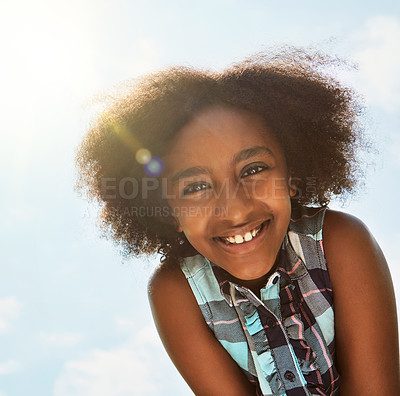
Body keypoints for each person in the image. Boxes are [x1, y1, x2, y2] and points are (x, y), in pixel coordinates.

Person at [75, 48, 400, 395]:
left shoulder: (340, 241)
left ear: (292, 175)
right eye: (196, 187)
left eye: (254, 170)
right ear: (171, 211)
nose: (234, 211)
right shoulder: (178, 293)